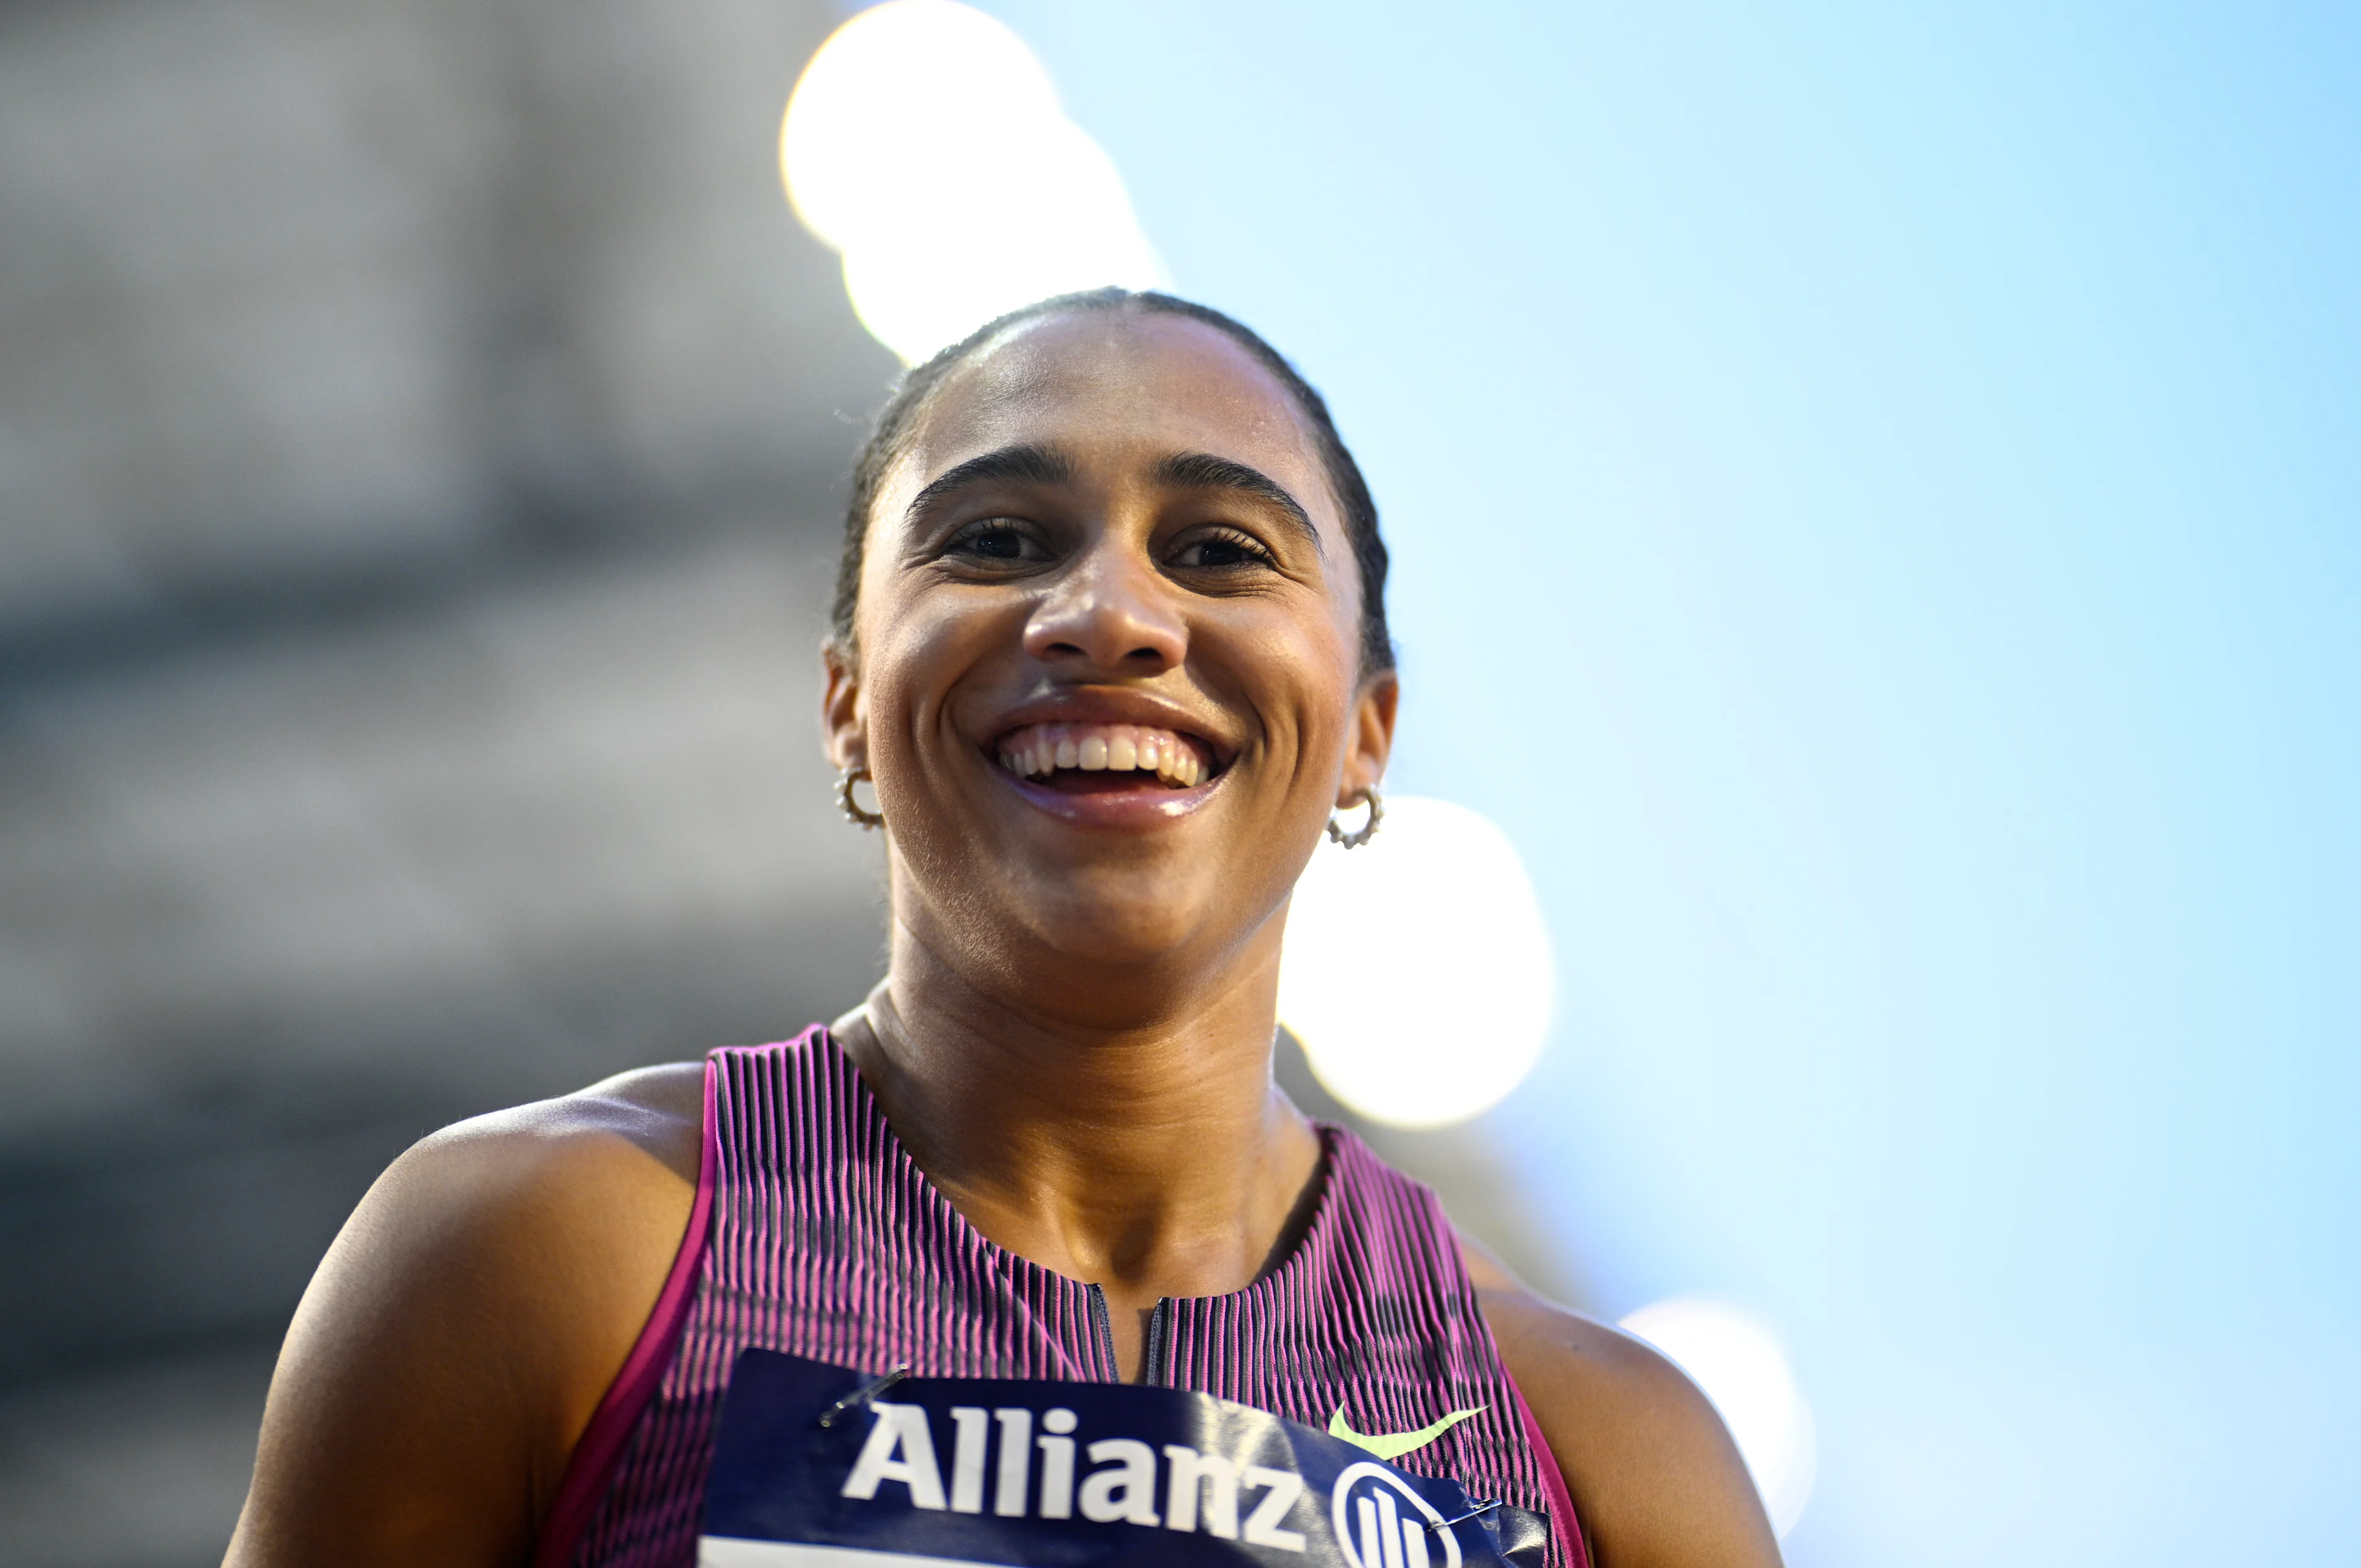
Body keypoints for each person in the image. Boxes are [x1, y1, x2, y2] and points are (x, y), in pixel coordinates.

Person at [223, 290, 1782, 1568]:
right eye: (995, 540)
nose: (1111, 614)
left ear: (1369, 729)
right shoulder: (540, 1251)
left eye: (1222, 550)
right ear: (846, 701)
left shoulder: (1600, 1452)